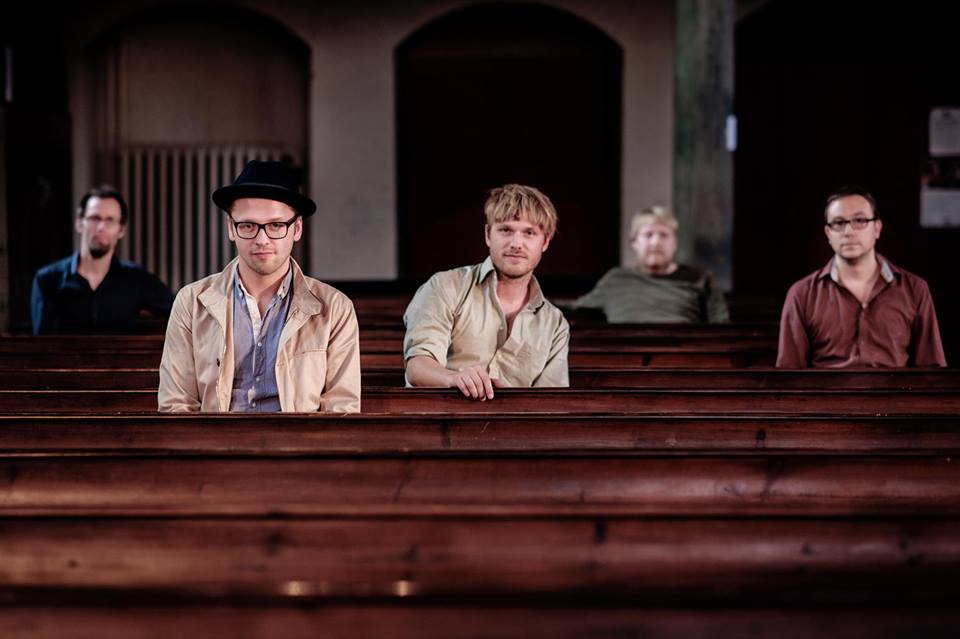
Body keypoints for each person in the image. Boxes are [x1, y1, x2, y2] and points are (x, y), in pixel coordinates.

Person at [158, 160, 360, 412]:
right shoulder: (191, 302)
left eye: (276, 225)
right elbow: (176, 405)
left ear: (297, 228)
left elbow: (342, 411)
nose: (262, 239)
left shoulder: (335, 308)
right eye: (248, 226)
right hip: (215, 437)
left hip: (299, 438)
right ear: (231, 228)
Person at [403, 184, 569, 400]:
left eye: (529, 233)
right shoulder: (445, 286)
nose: (516, 244)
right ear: (488, 234)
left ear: (545, 242)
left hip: (514, 421)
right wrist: (454, 379)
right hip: (442, 415)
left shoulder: (555, 324)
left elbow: (551, 402)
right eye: (506, 230)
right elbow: (417, 367)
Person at [777, 186, 946, 368]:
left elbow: (932, 372)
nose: (848, 232)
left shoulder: (915, 289)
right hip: (827, 388)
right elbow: (788, 375)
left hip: (893, 388)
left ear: (877, 228)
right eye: (838, 223)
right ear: (828, 233)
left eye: (860, 220)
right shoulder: (801, 294)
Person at [30, 186, 174, 334]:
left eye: (110, 220)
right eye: (95, 218)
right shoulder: (47, 280)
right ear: (79, 223)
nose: (101, 227)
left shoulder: (137, 280)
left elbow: (180, 308)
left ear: (121, 230)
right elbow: (42, 343)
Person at [563, 206, 728, 323]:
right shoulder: (616, 279)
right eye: (648, 235)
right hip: (624, 356)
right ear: (634, 242)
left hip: (684, 356)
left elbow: (721, 326)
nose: (655, 242)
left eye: (663, 235)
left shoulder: (700, 278)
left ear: (675, 242)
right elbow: (575, 309)